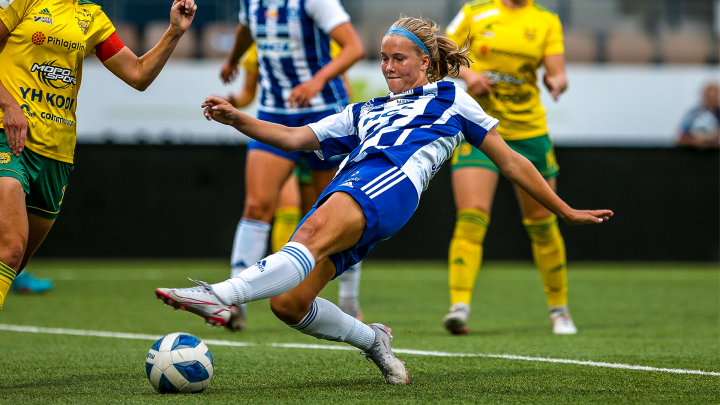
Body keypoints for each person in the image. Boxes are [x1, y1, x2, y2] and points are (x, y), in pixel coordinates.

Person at [154, 16, 612, 385]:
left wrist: (564, 209)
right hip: (350, 188)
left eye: (399, 58)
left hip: (390, 183)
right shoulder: (365, 110)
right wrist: (239, 119)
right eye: (383, 59)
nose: (389, 67)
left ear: (426, 62)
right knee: (289, 304)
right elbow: (295, 137)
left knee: (308, 236)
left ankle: (219, 297)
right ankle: (372, 341)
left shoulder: (454, 97)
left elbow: (511, 162)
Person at [0, 0, 197, 313]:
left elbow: (137, 74)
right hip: (9, 139)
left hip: (58, 154)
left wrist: (174, 32)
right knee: (9, 249)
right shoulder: (22, 2)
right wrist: (9, 105)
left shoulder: (91, 16)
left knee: (15, 263)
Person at [218, 0, 365, 331]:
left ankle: (349, 300)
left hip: (324, 113)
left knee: (337, 211)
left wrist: (316, 81)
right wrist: (233, 60)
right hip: (274, 113)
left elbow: (353, 47)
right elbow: (245, 27)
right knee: (256, 204)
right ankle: (233, 302)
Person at [442, 0, 576, 335]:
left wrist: (556, 82)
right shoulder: (475, 12)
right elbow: (440, 57)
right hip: (480, 128)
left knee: (542, 224)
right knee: (472, 216)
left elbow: (559, 72)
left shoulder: (546, 20)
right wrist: (468, 74)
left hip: (530, 132)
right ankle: (459, 306)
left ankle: (559, 310)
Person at [676, 82, 719, 149]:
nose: (711, 101)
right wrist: (693, 141)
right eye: (709, 97)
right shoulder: (693, 114)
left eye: (714, 97)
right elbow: (680, 138)